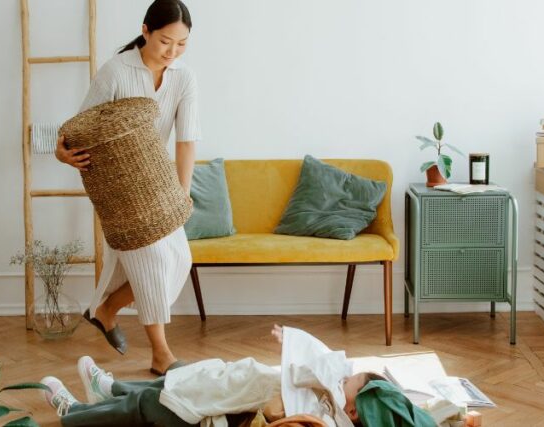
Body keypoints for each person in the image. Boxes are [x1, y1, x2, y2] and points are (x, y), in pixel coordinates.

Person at [55, 0, 200, 376]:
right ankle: (161, 354)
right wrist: (62, 150)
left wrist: (182, 193)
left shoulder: (183, 77)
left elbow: (187, 141)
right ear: (146, 30)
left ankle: (104, 310)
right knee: (151, 264)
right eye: (166, 41)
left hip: (159, 186)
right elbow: (77, 128)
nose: (172, 51)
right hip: (118, 188)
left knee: (179, 260)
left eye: (181, 44)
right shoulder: (116, 71)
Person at [38, 326, 433, 427]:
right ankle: (108, 388)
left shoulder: (323, 419)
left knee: (153, 403)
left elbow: (277, 412)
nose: (342, 377)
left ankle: (71, 413)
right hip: (228, 390)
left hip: (221, 417)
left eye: (349, 381)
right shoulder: (331, 401)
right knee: (179, 377)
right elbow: (317, 365)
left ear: (355, 407)